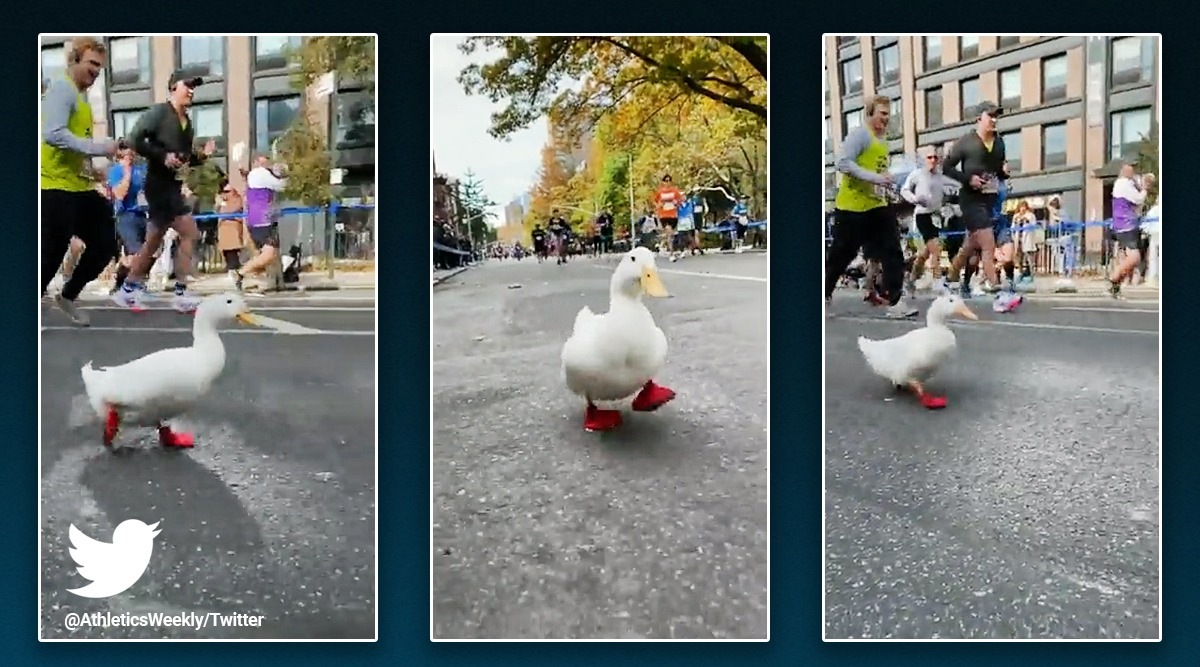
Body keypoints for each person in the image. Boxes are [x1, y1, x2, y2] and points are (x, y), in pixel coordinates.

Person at [112, 70, 216, 312]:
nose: (191, 90)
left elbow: (184, 158)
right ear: (172, 87)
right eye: (187, 84)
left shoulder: (186, 122)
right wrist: (162, 155)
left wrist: (201, 157)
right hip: (158, 186)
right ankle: (181, 293)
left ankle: (127, 288)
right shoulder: (159, 113)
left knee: (152, 244)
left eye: (194, 86)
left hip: (171, 186)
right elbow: (133, 139)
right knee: (190, 232)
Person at [41, 36, 121, 326]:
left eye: (100, 67)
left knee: (105, 245)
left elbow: (76, 146)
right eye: (92, 64)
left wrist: (96, 172)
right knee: (51, 252)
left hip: (80, 186)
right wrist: (101, 147)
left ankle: (67, 296)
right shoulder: (61, 89)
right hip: (53, 186)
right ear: (74, 60)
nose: (97, 71)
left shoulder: (81, 99)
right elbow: (53, 134)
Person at [823, 95, 917, 318]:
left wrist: (887, 183)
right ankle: (823, 293)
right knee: (842, 255)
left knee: (893, 250)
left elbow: (878, 174)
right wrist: (874, 177)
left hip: (877, 206)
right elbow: (842, 163)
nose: (886, 118)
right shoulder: (860, 135)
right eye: (882, 113)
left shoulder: (883, 142)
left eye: (888, 113)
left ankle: (895, 302)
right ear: (870, 114)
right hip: (851, 208)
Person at [938, 102, 1009, 295]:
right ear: (979, 118)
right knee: (988, 242)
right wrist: (968, 179)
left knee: (970, 246)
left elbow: (998, 171)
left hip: (989, 200)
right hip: (970, 200)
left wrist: (1004, 173)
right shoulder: (966, 142)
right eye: (991, 116)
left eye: (997, 117)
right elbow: (946, 167)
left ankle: (950, 278)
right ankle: (996, 287)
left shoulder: (999, 142)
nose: (994, 120)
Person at [232, 156, 288, 290]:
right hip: (261, 220)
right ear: (255, 163)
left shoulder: (257, 175)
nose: (265, 164)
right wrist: (285, 174)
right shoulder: (259, 174)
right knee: (269, 254)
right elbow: (281, 186)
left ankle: (269, 281)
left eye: (266, 162)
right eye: (262, 162)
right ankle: (241, 273)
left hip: (265, 219)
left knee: (270, 254)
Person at [900, 147, 948, 289]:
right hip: (922, 216)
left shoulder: (941, 176)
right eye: (929, 157)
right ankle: (938, 281)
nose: (933, 160)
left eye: (935, 157)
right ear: (924, 160)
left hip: (936, 215)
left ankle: (911, 279)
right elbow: (904, 189)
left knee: (925, 253)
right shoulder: (917, 174)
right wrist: (914, 199)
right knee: (936, 250)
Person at [107, 145, 147, 294]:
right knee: (136, 253)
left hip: (144, 214)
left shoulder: (142, 168)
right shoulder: (116, 171)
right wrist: (127, 174)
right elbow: (119, 194)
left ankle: (121, 279)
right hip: (126, 215)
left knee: (151, 252)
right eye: (125, 154)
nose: (129, 156)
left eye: (131, 153)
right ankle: (135, 284)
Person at [1108, 162, 1148, 298]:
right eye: (1132, 170)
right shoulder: (1124, 183)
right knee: (1134, 257)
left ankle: (1115, 286)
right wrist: (1145, 189)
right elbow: (1138, 199)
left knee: (1129, 257)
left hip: (1124, 224)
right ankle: (1114, 277)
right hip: (1126, 225)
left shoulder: (1122, 184)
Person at [215, 179, 247, 284]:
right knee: (226, 251)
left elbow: (235, 209)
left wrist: (224, 207)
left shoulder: (236, 197)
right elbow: (216, 210)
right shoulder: (219, 197)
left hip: (232, 226)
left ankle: (234, 271)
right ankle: (230, 271)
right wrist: (219, 204)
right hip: (223, 226)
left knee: (233, 250)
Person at [654, 175, 684, 259]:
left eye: (669, 181)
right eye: (666, 181)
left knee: (670, 234)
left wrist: (676, 203)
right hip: (664, 215)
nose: (667, 182)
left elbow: (680, 200)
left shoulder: (674, 191)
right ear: (663, 182)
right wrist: (659, 205)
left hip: (673, 215)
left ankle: (660, 245)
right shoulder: (660, 192)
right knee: (669, 233)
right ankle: (671, 253)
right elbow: (655, 202)